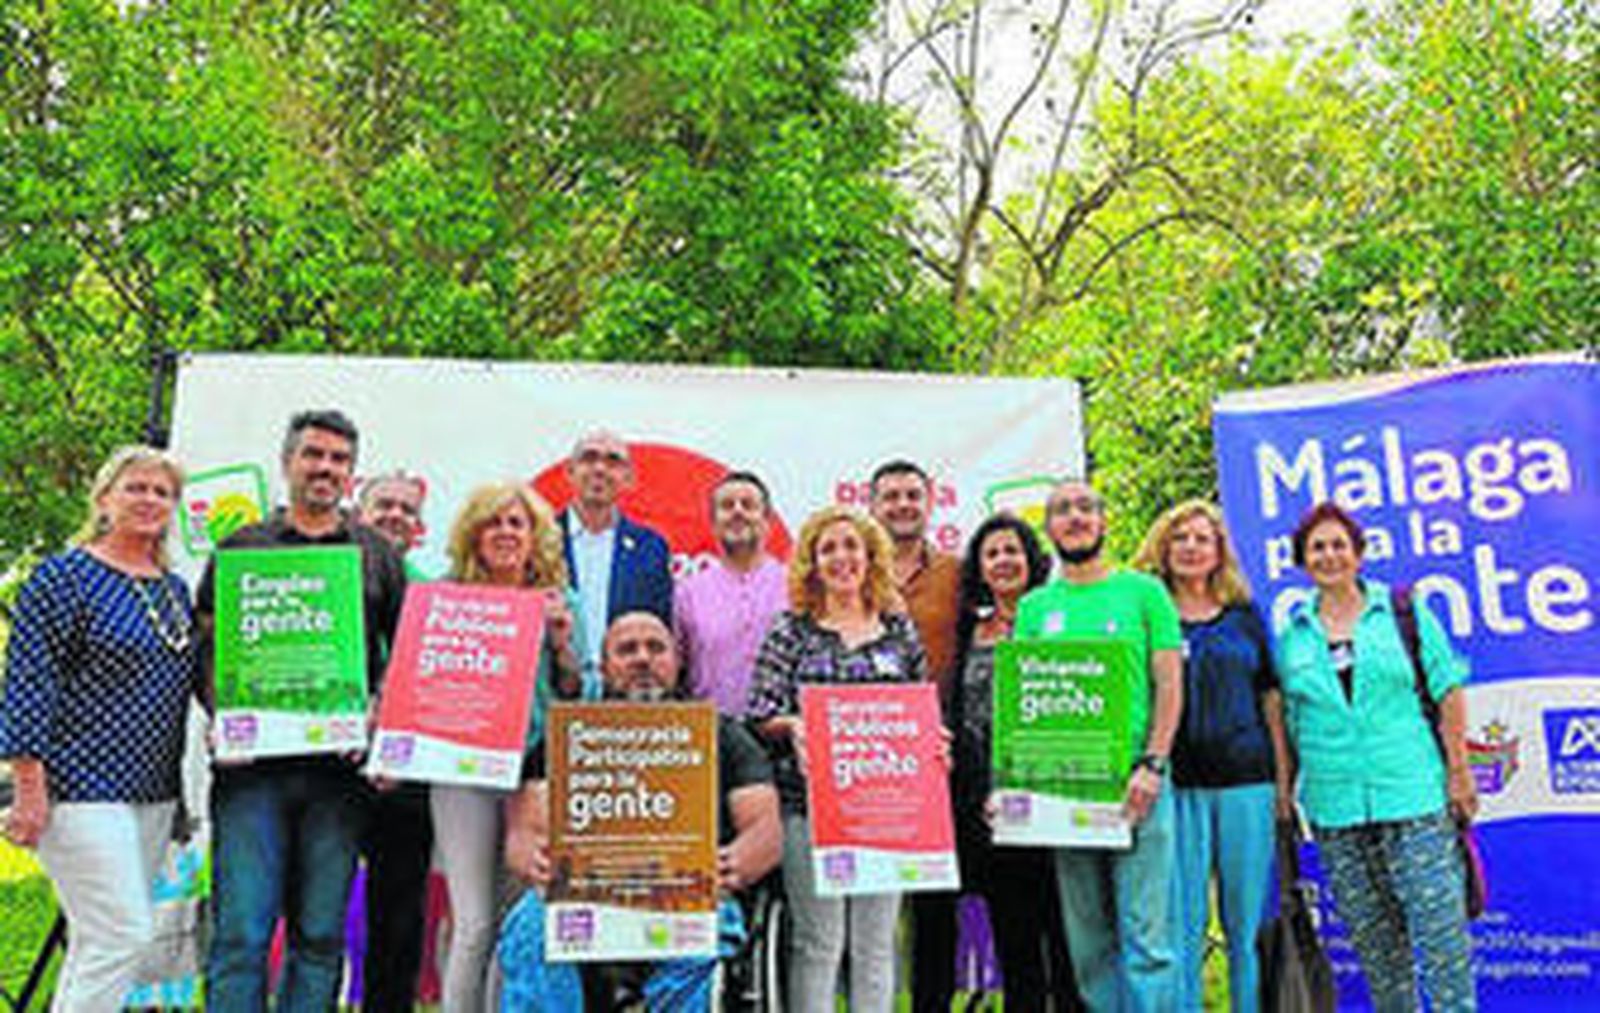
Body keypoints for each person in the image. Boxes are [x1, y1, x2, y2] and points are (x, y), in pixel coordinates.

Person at [197, 410, 408, 1012]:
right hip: (250, 774)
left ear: (351, 474)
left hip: (338, 776)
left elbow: (411, 651)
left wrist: (379, 712)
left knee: (319, 937)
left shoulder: (376, 553)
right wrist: (222, 714)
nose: (325, 468)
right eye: (313, 454)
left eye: (339, 459)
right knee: (241, 933)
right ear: (287, 462)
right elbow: (208, 646)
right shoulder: (242, 548)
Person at [497, 611, 783, 1010]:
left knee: (703, 942)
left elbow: (764, 827)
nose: (643, 659)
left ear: (677, 660)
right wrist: (533, 860)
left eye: (656, 648)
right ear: (605, 664)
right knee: (529, 929)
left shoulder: (721, 734)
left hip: (690, 892)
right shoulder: (569, 735)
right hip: (588, 896)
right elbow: (524, 832)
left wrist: (738, 862)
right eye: (627, 650)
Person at [0, 446, 197, 1011]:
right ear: (104, 498)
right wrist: (29, 789)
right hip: (78, 790)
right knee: (123, 935)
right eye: (136, 487)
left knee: (94, 942)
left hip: (151, 792)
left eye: (162, 493)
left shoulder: (173, 590)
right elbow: (28, 684)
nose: (150, 500)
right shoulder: (64, 578)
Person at [1273, 501, 1477, 1013]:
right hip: (1336, 811)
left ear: (1358, 554)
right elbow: (1288, 721)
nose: (1329, 555)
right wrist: (1284, 792)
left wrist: (1459, 774)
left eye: (1339, 544)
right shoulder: (1293, 633)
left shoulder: (1403, 611)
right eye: (1317, 547)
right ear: (1302, 561)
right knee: (1378, 953)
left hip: (1414, 800)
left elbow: (1448, 689)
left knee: (1442, 943)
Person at [747, 505, 927, 1013]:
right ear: (812, 562)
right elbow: (759, 711)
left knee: (875, 945)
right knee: (820, 941)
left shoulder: (898, 631)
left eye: (852, 546)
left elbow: (920, 705)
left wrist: (933, 740)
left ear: (871, 557)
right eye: (829, 548)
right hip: (809, 807)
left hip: (888, 812)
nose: (841, 558)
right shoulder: (791, 630)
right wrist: (795, 725)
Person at [1013, 478, 1184, 1013]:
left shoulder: (1145, 592)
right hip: (1066, 791)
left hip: (1139, 783)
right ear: (1050, 529)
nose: (1076, 518)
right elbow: (1027, 702)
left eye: (1086, 508)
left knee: (1147, 938)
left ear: (1103, 521)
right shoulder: (1035, 607)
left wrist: (1153, 763)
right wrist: (1016, 788)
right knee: (1088, 942)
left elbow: (1170, 685)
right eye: (1063, 510)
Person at [429, 481, 585, 1013]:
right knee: (472, 921)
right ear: (473, 534)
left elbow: (574, 692)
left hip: (533, 772)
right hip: (461, 770)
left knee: (518, 917)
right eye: (493, 522)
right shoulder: (444, 601)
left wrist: (562, 640)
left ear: (535, 535)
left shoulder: (561, 601)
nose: (504, 533)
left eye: (516, 523)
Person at [1133, 500, 1290, 1013]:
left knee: (1244, 925)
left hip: (1248, 782)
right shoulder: (1146, 613)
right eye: (1181, 538)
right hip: (1177, 786)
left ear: (1219, 551)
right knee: (1183, 922)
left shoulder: (1245, 618)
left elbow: (1271, 698)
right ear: (1164, 546)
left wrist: (1284, 785)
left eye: (1203, 538)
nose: (1191, 547)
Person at [949, 514, 1084, 1012]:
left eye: (1013, 551)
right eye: (992, 553)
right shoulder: (969, 631)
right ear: (980, 569)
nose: (1004, 561)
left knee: (1066, 931)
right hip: (984, 803)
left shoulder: (1058, 621)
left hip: (1052, 794)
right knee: (1014, 932)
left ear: (1032, 561)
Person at [866, 459, 963, 1012]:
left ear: (929, 504)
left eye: (911, 495)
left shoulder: (958, 572)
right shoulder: (850, 570)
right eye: (890, 496)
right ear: (873, 505)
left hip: (937, 759)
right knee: (862, 908)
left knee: (933, 906)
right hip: (861, 762)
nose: (902, 505)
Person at [352, 468, 434, 1012]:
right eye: (385, 504)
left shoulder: (433, 590)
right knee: (310, 911)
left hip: (405, 772)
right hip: (326, 766)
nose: (396, 516)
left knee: (399, 915)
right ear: (359, 512)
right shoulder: (324, 571)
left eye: (408, 510)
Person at [557, 430, 673, 679]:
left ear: (628, 478)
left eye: (613, 461)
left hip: (623, 695)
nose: (600, 468)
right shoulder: (539, 540)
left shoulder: (651, 548)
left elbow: (661, 630)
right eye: (589, 458)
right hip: (553, 690)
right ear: (569, 472)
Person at [673, 470, 788, 716]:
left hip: (783, 738)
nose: (738, 511)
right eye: (727, 506)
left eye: (748, 505)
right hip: (715, 735)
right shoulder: (687, 592)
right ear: (713, 524)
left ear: (767, 521)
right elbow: (676, 671)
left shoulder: (796, 586)